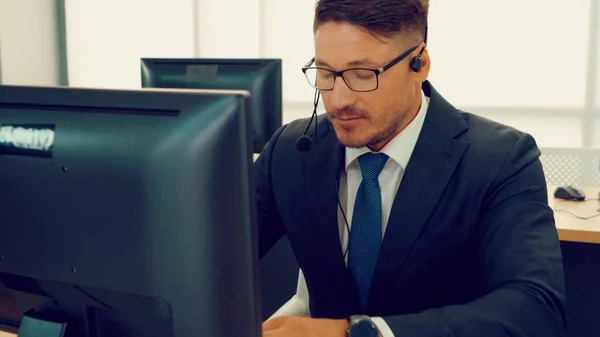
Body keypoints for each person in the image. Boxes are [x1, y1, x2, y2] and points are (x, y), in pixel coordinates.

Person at [255, 0, 566, 336]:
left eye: (363, 74)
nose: (339, 100)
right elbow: (212, 251)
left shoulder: (501, 158)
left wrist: (355, 333)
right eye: (327, 73)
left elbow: (536, 309)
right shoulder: (291, 149)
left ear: (420, 63)